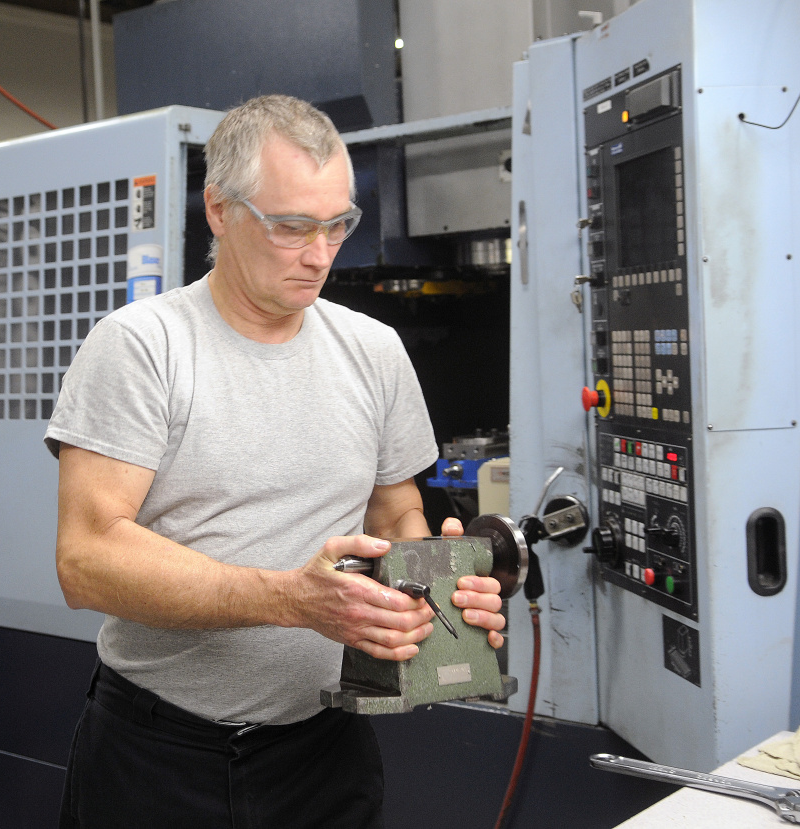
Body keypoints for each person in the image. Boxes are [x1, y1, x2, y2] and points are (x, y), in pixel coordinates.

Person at [45, 94, 505, 828]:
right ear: (219, 210)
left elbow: (397, 517)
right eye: (291, 226)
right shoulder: (144, 347)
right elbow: (87, 557)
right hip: (161, 756)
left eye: (337, 224)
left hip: (325, 752)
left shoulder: (374, 352)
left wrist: (447, 593)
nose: (321, 253)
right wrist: (291, 598)